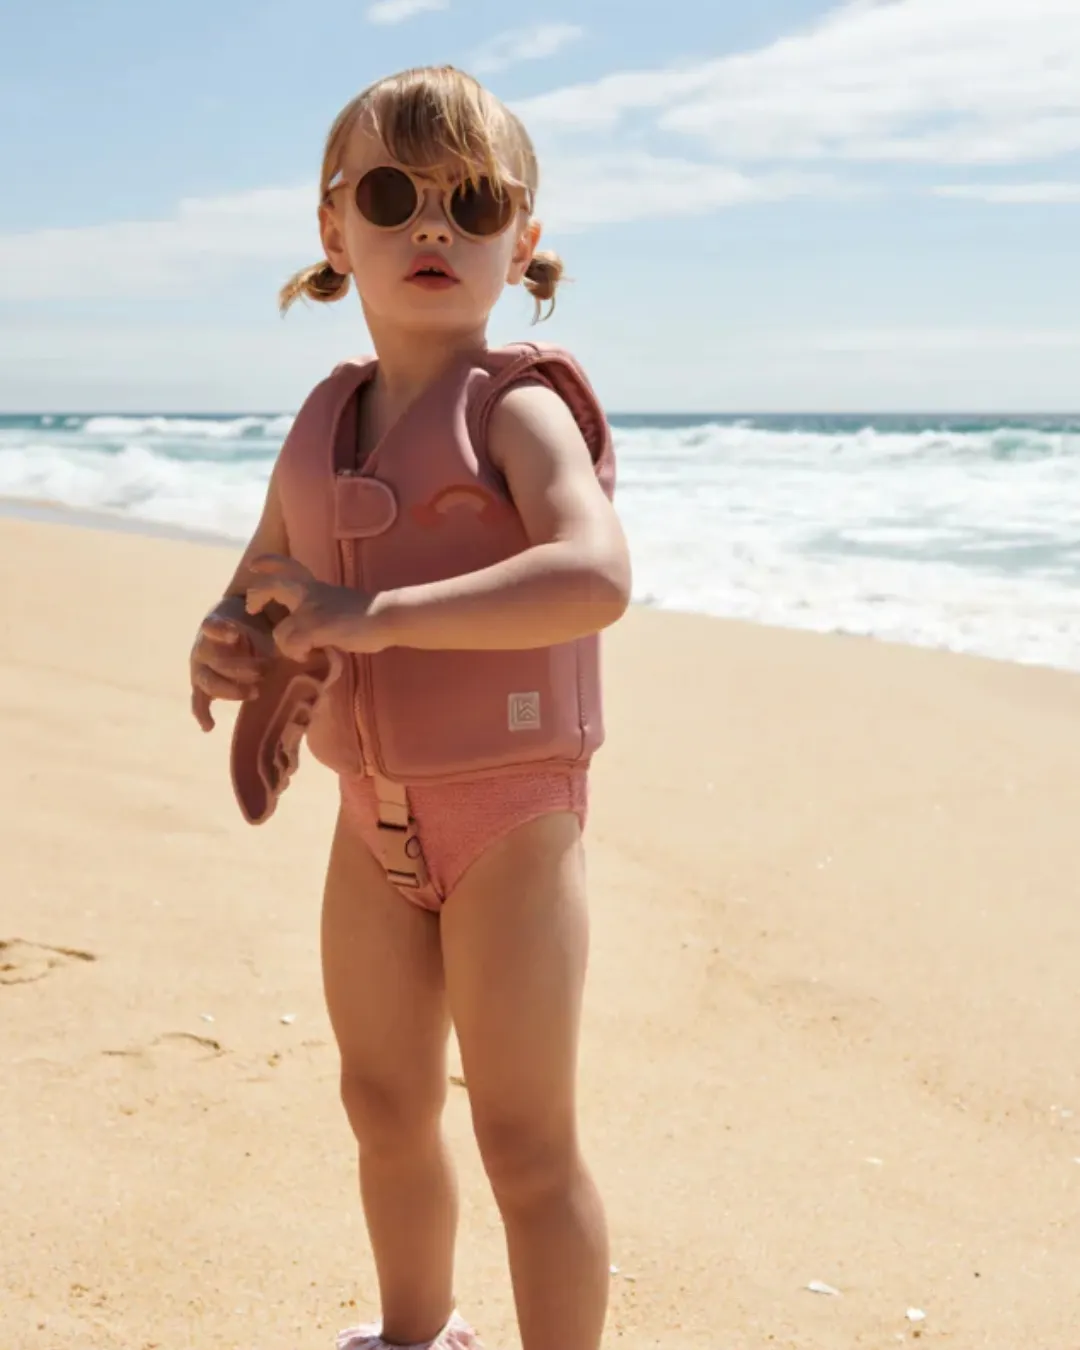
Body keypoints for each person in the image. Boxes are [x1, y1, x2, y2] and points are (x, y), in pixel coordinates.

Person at [188, 64, 631, 1350]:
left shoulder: (519, 409)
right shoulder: (326, 418)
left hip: (510, 820)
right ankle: (413, 1334)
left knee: (524, 1136)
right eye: (394, 196)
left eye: (472, 201)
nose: (433, 224)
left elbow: (595, 575)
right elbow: (264, 584)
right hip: (368, 818)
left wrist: (376, 616)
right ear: (336, 229)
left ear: (521, 240)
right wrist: (227, 646)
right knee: (382, 1104)